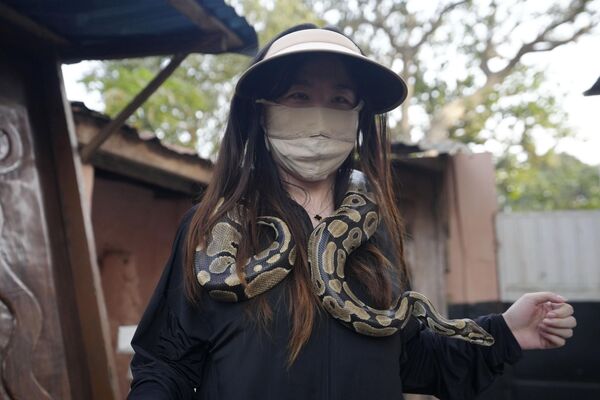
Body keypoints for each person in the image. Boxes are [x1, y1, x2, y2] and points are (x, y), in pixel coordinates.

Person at [128, 24, 576, 400]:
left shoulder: (379, 232)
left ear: (360, 117)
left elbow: (410, 360)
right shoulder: (212, 228)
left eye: (340, 100)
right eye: (299, 95)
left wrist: (505, 334)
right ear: (260, 113)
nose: (320, 114)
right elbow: (165, 363)